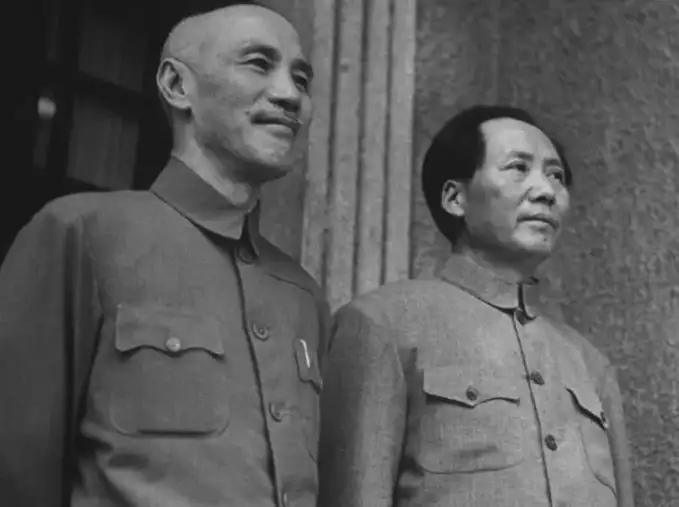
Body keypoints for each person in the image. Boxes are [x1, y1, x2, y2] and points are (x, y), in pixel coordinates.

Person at [0, 4, 328, 507]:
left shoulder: (302, 294)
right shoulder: (81, 233)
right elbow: (16, 468)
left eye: (301, 79)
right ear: (177, 85)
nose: (290, 94)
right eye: (259, 64)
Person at [318, 105, 634, 507]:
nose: (547, 191)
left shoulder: (590, 364)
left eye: (556, 175)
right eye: (518, 168)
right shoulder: (381, 326)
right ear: (456, 198)